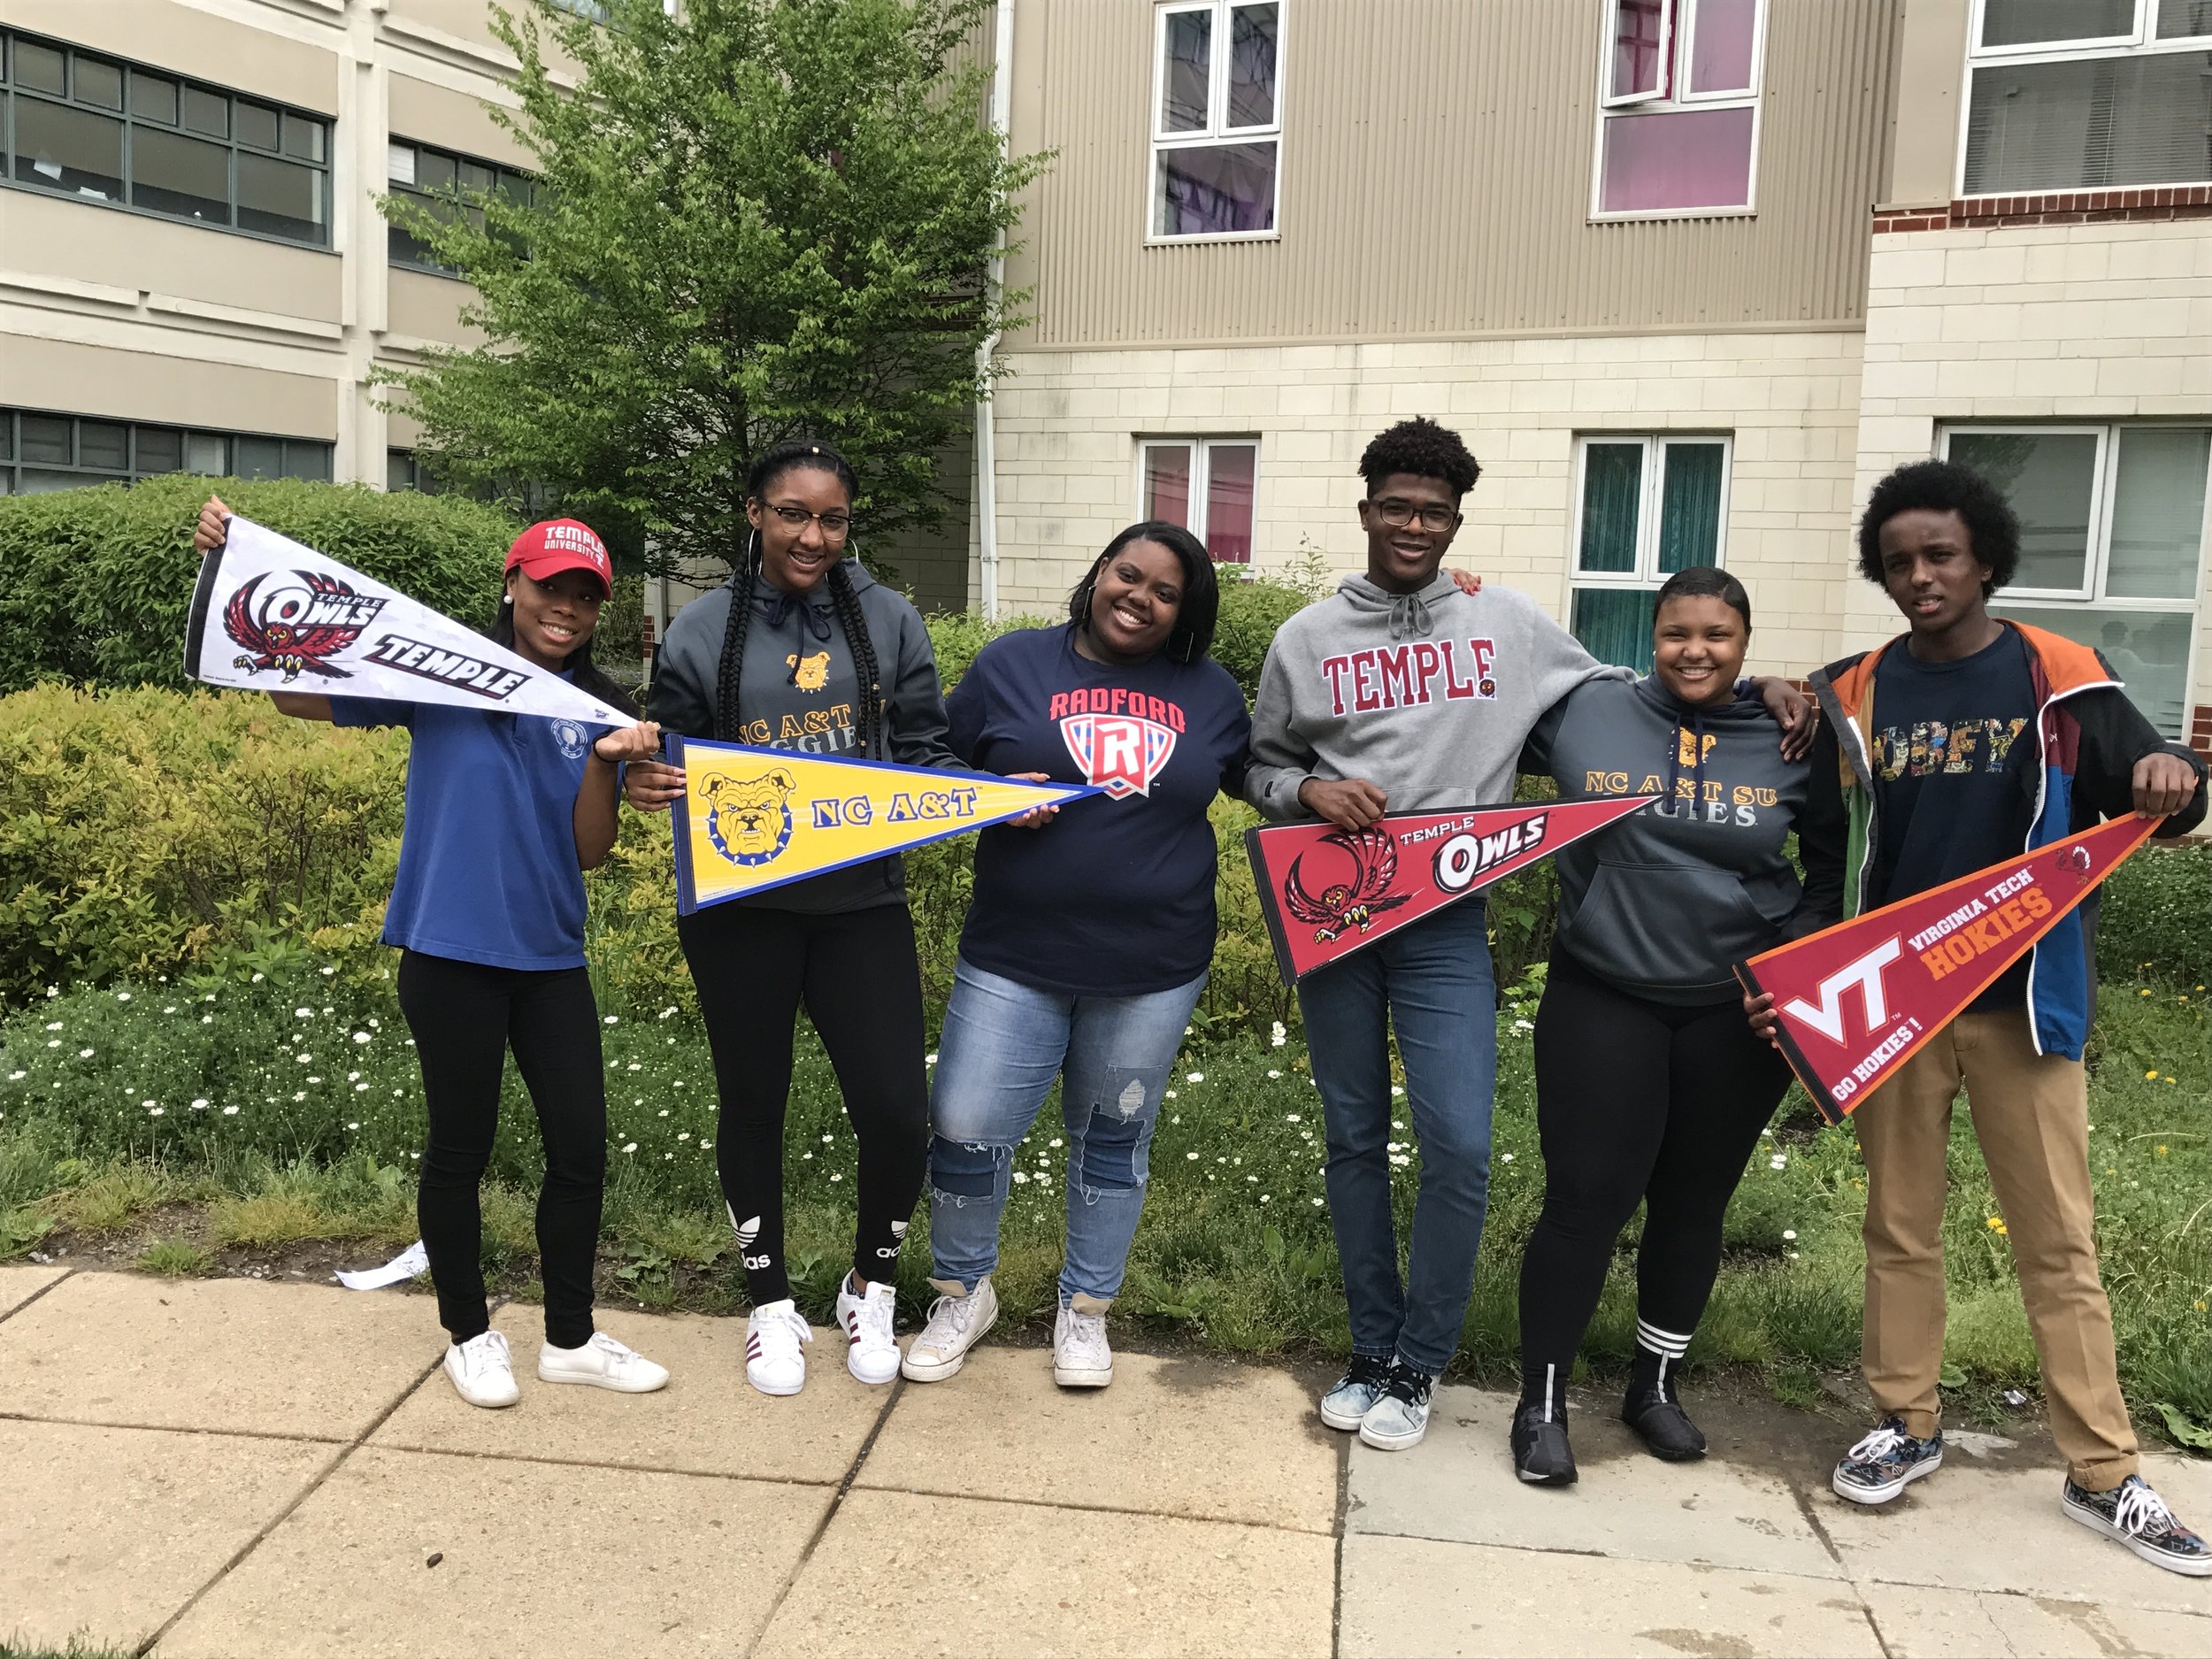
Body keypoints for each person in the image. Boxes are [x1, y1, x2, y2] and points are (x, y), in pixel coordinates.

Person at [1243, 418, 1809, 1452]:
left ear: (1456, 522)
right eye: (1395, 506)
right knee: (1353, 1139)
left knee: (1459, 1144)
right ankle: (1370, 1350)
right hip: (1337, 910)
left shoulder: (1504, 621)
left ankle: (1421, 1364)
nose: (1413, 525)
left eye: (1434, 512)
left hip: (1447, 918)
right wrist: (1308, 789)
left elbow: (1638, 693)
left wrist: (1758, 690)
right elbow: (1261, 766)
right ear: (1364, 508)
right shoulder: (1304, 640)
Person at [1763, 458, 2208, 1575]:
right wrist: (1774, 688)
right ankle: (1904, 1423)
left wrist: (2175, 769)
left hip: (2022, 1005)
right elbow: (1775, 749)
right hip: (1896, 1005)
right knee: (1898, 1227)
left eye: (1940, 555)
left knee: (2059, 1240)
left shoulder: (2062, 676)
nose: (1919, 575)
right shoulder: (1858, 688)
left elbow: (2166, 787)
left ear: (1985, 560)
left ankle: (2103, 1471)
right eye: (1900, 560)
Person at [191, 497, 671, 1409]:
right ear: (512, 584)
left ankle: (568, 1336)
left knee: (580, 1149)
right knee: (461, 1148)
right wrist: (230, 574)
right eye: (547, 588)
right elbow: (295, 686)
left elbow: (588, 852)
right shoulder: (443, 670)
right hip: (449, 953)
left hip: (549, 961)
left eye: (583, 595)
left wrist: (607, 760)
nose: (564, 607)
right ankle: (469, 1334)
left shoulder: (597, 705)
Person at [624, 438, 956, 1398]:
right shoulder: (700, 627)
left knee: (898, 1112)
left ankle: (870, 1284)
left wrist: (983, 794)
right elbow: (670, 751)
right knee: (753, 1102)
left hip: (863, 905)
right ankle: (767, 1301)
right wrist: (643, 775)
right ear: (755, 515)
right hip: (742, 911)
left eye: (833, 519)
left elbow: (925, 753)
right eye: (794, 514)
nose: (814, 535)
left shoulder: (890, 620)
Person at [896, 521, 1251, 1391]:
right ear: (1098, 574)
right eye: (1128, 575)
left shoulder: (1209, 691)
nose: (1141, 597)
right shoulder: (1014, 664)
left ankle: (1085, 1310)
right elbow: (931, 758)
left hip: (1154, 965)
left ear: (1184, 612)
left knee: (1112, 1138)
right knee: (964, 1127)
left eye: (1166, 592)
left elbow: (1265, 775)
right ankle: (962, 1293)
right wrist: (981, 794)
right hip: (1014, 954)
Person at [1507, 566, 1843, 1484]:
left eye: (1718, 637)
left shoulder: (1792, 736)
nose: (1695, 651)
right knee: (1585, 1199)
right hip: (1602, 986)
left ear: (1744, 644)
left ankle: (1652, 1388)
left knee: (1694, 1204)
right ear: (1650, 638)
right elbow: (1472, 708)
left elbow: (1826, 876)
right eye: (1676, 635)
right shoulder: (1585, 711)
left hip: (1732, 1011)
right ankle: (1539, 1403)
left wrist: (1791, 967)